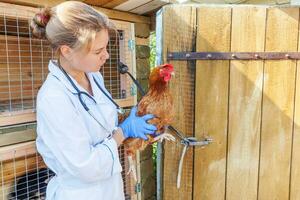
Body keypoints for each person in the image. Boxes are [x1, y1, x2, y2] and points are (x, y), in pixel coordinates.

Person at [32, 1, 157, 199]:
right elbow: (86, 166)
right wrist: (123, 132)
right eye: (98, 51)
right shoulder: (53, 98)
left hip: (110, 187)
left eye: (105, 48)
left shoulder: (94, 77)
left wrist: (127, 121)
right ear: (67, 51)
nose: (106, 56)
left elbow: (100, 123)